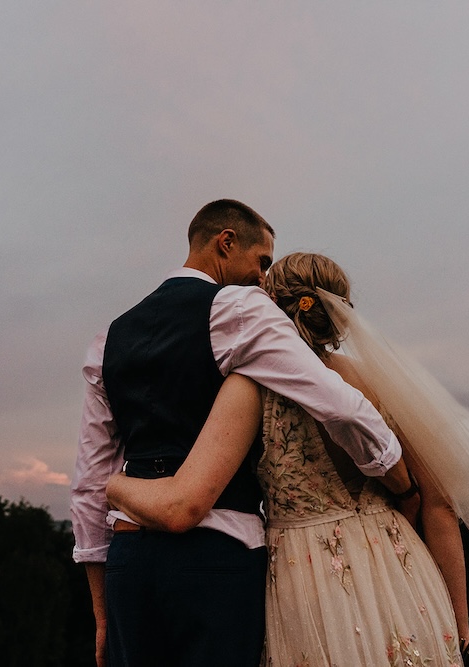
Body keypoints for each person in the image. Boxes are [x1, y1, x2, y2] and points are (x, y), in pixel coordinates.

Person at [106, 252, 469, 666]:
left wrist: (117, 485)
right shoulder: (377, 380)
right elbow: (439, 506)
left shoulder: (247, 385)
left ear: (270, 306)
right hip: (398, 572)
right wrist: (462, 633)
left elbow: (193, 491)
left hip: (302, 576)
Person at [70, 205, 418, 667]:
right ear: (226, 242)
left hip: (129, 565)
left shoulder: (108, 338)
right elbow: (340, 405)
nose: (263, 277)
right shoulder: (239, 309)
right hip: (215, 557)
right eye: (261, 261)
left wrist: (102, 613)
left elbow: (90, 483)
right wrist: (398, 477)